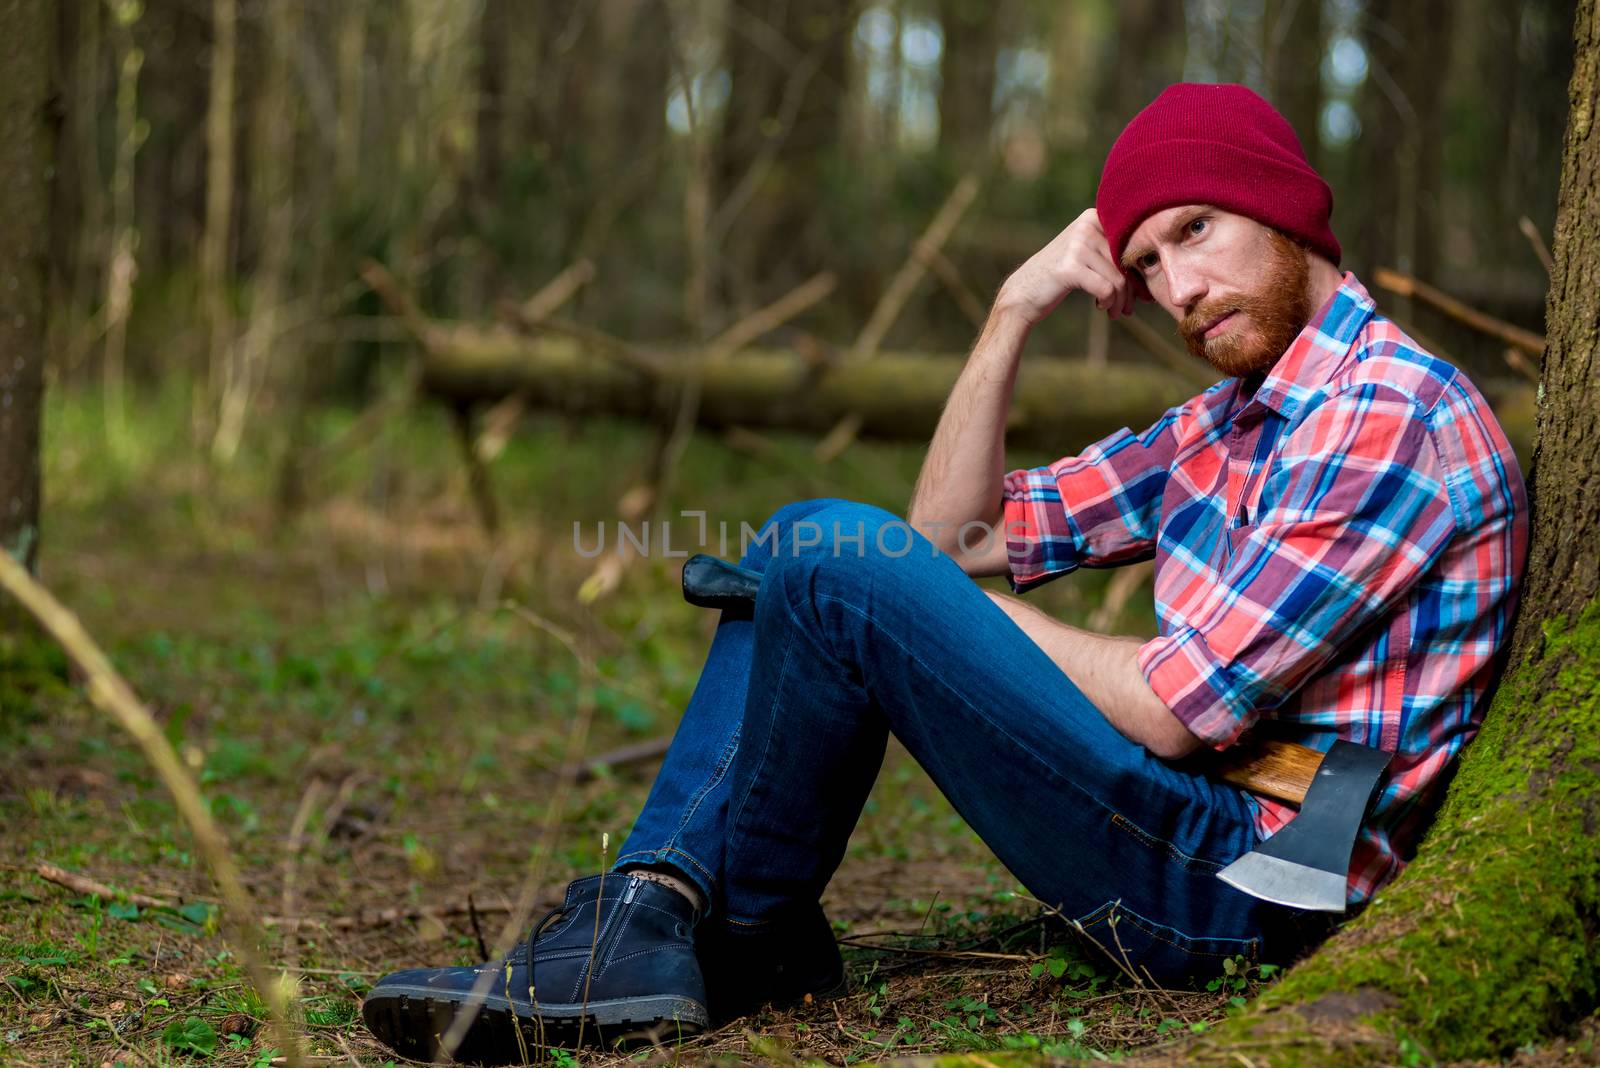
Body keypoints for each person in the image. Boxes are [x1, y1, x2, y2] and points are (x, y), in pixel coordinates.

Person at [362, 83, 1529, 1064]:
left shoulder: (1388, 415)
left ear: (1285, 212)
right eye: (1145, 260)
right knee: (831, 554)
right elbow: (953, 537)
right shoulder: (1231, 422)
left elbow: (1178, 711)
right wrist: (1011, 308)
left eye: (1195, 230)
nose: (1177, 286)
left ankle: (681, 917)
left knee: (830, 552)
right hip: (1204, 823)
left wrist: (920, 614)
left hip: (1259, 884)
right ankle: (692, 923)